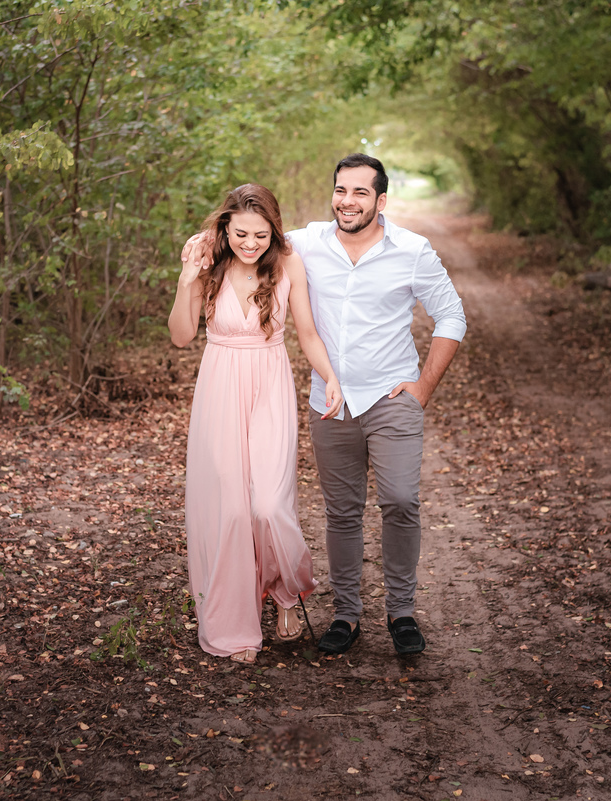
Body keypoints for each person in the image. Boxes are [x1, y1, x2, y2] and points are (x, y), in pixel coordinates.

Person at [183, 154, 467, 656]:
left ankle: (401, 612)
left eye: (360, 193)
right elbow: (251, 232)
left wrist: (422, 387)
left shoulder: (413, 250)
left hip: (389, 396)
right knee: (341, 512)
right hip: (330, 404)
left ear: (381, 200)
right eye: (341, 190)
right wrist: (205, 242)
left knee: (400, 501)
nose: (348, 201)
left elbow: (452, 317)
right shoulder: (305, 243)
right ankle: (346, 615)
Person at [168, 183, 344, 664]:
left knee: (269, 505)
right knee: (229, 511)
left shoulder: (288, 264)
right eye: (241, 233)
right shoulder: (208, 262)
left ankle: (286, 592)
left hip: (269, 385)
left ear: (274, 230)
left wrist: (330, 377)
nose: (251, 244)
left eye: (261, 235)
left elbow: (306, 331)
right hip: (219, 387)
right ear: (226, 226)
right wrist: (186, 279)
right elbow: (183, 337)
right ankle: (233, 627)